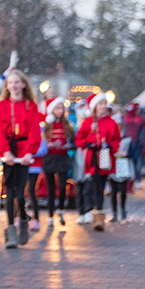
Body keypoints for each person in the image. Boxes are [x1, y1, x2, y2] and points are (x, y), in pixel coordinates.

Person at [0, 69, 42, 249]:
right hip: (8, 152)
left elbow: (35, 131)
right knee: (9, 192)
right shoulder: (1, 106)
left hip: (23, 152)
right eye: (10, 83)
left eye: (16, 82)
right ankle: (10, 229)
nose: (13, 86)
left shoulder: (31, 106)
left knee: (21, 193)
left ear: (22, 84)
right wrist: (5, 151)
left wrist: (29, 152)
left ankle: (23, 220)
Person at [76, 92, 121, 231]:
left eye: (104, 104)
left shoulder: (111, 122)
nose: (103, 106)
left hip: (105, 156)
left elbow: (116, 139)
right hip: (93, 157)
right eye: (100, 104)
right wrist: (88, 142)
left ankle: (99, 214)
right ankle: (95, 213)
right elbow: (79, 139)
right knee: (93, 185)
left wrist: (110, 146)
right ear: (95, 106)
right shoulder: (89, 122)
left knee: (101, 186)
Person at [42, 97, 74, 227]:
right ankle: (50, 216)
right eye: (58, 108)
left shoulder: (67, 125)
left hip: (62, 158)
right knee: (50, 188)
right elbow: (41, 142)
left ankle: (60, 209)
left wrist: (67, 146)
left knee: (62, 186)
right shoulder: (46, 126)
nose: (60, 111)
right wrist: (48, 145)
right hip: (50, 158)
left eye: (62, 108)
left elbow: (73, 142)